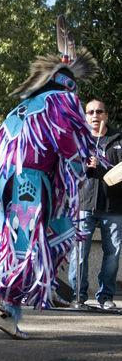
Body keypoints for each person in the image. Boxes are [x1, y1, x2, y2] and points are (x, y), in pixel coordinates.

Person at [0, 49, 97, 339]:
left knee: (9, 243)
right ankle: (7, 308)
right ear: (68, 84)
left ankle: (1, 295)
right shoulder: (60, 100)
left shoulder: (20, 109)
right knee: (35, 245)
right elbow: (66, 140)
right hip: (30, 184)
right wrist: (78, 173)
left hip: (4, 185)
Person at [68, 99, 122, 310]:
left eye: (99, 111)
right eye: (90, 112)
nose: (95, 115)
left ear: (106, 115)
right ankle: (78, 296)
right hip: (84, 203)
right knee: (79, 252)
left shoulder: (118, 139)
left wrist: (103, 167)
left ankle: (105, 297)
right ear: (85, 116)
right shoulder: (78, 140)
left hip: (114, 205)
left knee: (113, 254)